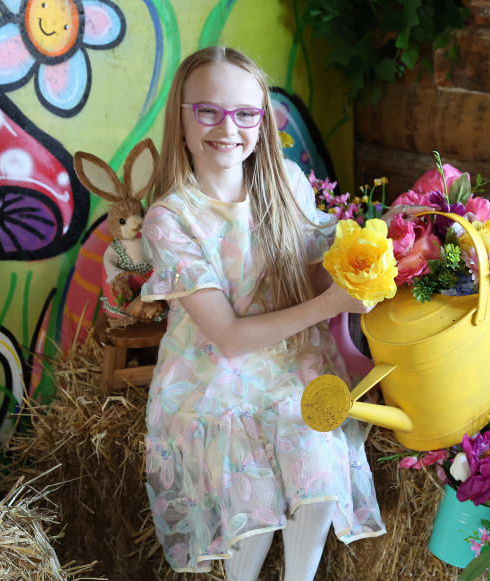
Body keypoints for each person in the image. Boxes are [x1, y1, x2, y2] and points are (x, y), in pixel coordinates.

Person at [140, 46, 421, 580]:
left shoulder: (285, 183)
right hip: (212, 377)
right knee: (257, 493)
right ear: (180, 114)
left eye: (245, 113)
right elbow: (227, 337)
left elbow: (305, 271)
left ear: (262, 120)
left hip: (290, 361)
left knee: (315, 452)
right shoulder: (171, 218)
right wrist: (330, 303)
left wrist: (368, 259)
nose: (229, 128)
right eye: (208, 111)